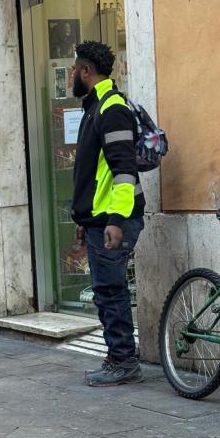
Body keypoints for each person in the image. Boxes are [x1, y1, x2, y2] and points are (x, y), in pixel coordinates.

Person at [70, 40, 145, 386]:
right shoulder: (95, 107)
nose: (72, 74)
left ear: (86, 70)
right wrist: (83, 220)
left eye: (75, 69)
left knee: (111, 292)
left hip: (114, 218)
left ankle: (123, 361)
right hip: (99, 218)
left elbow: (124, 169)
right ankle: (118, 356)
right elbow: (91, 173)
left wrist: (115, 219)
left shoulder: (111, 108)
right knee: (106, 291)